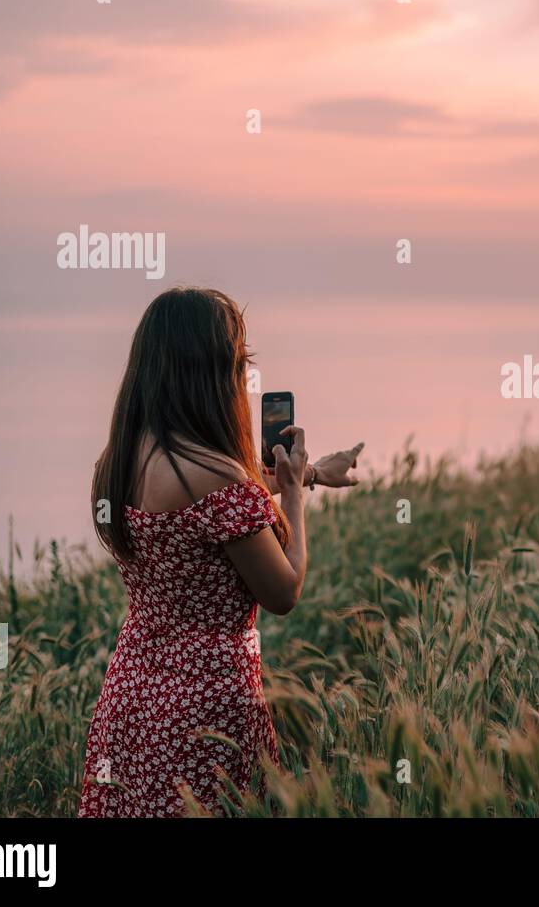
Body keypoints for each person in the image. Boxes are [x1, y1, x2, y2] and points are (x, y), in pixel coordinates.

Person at [78, 286, 363, 817]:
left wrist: (314, 472)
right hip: (207, 708)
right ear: (213, 371)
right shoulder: (216, 476)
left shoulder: (115, 462)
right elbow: (284, 591)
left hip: (133, 696)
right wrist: (296, 495)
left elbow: (210, 512)